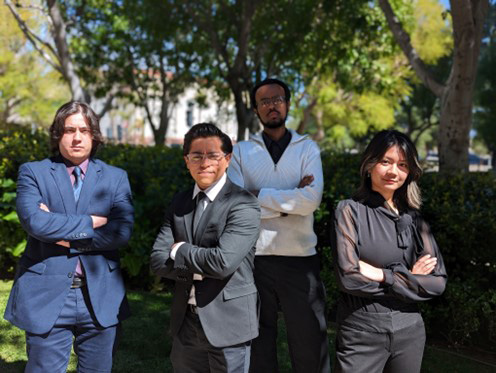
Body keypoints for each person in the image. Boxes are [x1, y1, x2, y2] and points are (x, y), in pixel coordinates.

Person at [4, 101, 134, 372]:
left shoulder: (115, 178)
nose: (77, 137)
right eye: (69, 130)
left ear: (94, 135)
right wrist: (92, 223)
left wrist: (59, 232)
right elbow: (35, 222)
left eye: (84, 130)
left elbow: (121, 232)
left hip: (100, 296)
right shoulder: (34, 172)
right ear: (57, 134)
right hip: (46, 295)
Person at [228, 78, 330, 373]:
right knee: (258, 346)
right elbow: (234, 205)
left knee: (310, 344)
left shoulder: (307, 148)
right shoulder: (242, 152)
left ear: (287, 103)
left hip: (301, 262)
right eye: (264, 101)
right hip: (254, 260)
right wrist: (289, 205)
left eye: (278, 99)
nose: (272, 105)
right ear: (256, 110)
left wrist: (258, 195)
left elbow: (310, 201)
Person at [331, 130, 447, 373]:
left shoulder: (415, 219)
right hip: (361, 332)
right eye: (386, 162)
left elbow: (437, 283)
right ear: (369, 164)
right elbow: (349, 279)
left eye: (402, 164)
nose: (394, 171)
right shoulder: (349, 211)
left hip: (410, 332)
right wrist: (411, 278)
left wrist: (384, 275)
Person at [151, 123, 261, 373]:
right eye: (196, 156)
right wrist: (198, 268)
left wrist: (179, 250)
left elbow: (223, 263)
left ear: (227, 159)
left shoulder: (243, 204)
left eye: (213, 155)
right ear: (186, 160)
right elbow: (157, 260)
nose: (204, 162)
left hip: (229, 324)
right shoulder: (179, 202)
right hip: (186, 322)